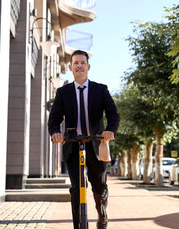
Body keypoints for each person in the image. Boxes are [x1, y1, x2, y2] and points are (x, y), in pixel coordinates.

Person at [48, 50, 119, 229]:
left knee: (99, 188)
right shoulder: (63, 92)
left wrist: (110, 130)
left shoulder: (100, 89)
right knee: (76, 190)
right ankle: (79, 226)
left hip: (96, 144)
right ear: (70, 67)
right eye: (76, 63)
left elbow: (112, 113)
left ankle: (102, 218)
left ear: (88, 66)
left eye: (82, 63)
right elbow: (54, 118)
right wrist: (55, 132)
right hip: (73, 145)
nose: (79, 66)